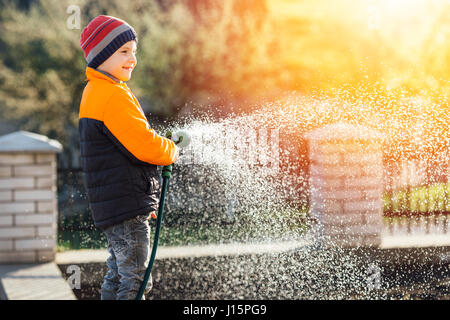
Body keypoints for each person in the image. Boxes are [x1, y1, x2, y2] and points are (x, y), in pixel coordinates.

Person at [78, 15, 179, 300]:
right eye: (123, 51)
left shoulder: (94, 91)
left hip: (114, 207)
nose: (132, 58)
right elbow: (145, 145)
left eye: (134, 51)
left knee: (119, 273)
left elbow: (128, 139)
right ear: (101, 54)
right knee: (136, 280)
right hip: (126, 207)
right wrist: (171, 149)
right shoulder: (112, 95)